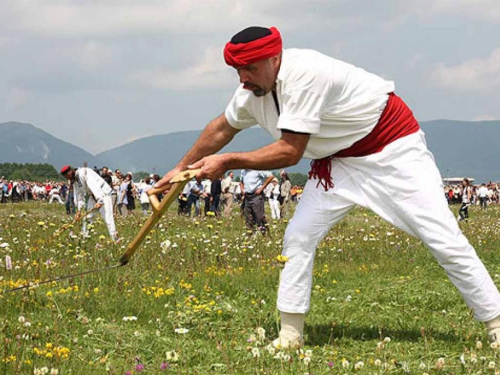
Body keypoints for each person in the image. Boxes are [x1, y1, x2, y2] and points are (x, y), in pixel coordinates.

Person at [154, 26, 500, 347]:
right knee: (299, 236)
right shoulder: (251, 93)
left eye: (251, 69)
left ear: (276, 59)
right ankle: (290, 334)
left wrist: (228, 162)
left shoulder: (305, 75)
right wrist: (179, 169)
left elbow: (290, 152)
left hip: (392, 149)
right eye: (238, 70)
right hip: (337, 163)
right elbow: (221, 129)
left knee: (442, 237)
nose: (244, 79)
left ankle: (496, 323)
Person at [60, 165, 118, 242]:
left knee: (107, 218)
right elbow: (79, 196)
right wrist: (79, 210)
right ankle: (85, 237)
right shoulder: (74, 181)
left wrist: (100, 200)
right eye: (67, 178)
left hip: (103, 194)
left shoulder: (83, 172)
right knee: (87, 217)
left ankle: (115, 239)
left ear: (71, 171)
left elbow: (94, 185)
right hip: (92, 196)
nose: (69, 179)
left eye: (68, 176)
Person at [240, 169, 274, 234]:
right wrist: (242, 189)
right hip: (247, 196)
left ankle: (265, 233)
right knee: (248, 217)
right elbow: (241, 182)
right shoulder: (243, 171)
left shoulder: (257, 169)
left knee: (259, 216)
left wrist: (262, 188)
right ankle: (250, 235)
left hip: (256, 195)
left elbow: (270, 176)